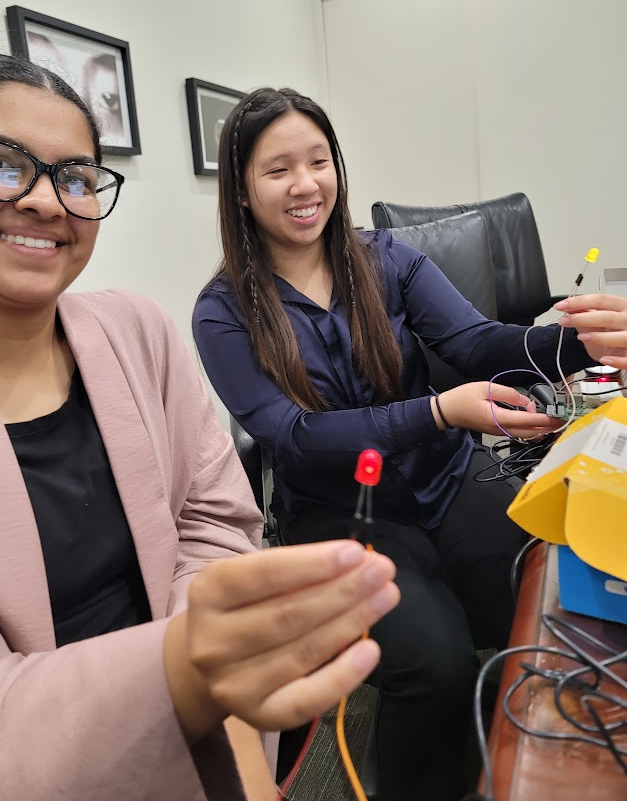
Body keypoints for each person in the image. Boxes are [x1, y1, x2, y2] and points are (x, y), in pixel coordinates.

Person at [0, 56, 401, 801]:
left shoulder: (137, 332)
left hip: (207, 736)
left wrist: (222, 711)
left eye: (75, 177)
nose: (46, 201)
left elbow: (214, 521)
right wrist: (182, 668)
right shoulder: (226, 306)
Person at [192, 87, 626, 801]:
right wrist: (438, 412)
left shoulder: (386, 258)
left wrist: (583, 342)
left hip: (445, 479)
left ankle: (521, 760)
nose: (305, 184)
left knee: (550, 608)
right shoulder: (222, 313)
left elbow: (477, 343)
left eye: (318, 161)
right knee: (436, 664)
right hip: (342, 513)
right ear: (240, 191)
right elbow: (293, 436)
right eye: (277, 169)